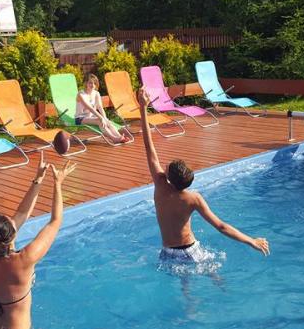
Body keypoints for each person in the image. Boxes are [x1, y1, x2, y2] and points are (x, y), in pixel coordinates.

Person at [136, 88, 270, 261]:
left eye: (166, 167)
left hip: (167, 254)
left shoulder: (160, 186)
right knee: (213, 274)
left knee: (185, 280)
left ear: (168, 177)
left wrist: (143, 108)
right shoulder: (193, 198)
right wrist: (251, 241)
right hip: (191, 252)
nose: (164, 166)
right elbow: (221, 226)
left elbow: (149, 148)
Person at [0, 151, 77, 329]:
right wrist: (58, 183)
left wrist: (38, 179)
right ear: (10, 237)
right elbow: (55, 221)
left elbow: (21, 213)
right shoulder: (24, 259)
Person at [75, 73, 131, 144]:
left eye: (95, 83)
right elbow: (90, 108)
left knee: (107, 121)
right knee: (100, 121)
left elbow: (100, 107)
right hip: (80, 118)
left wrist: (104, 118)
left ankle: (119, 137)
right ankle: (114, 139)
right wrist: (101, 118)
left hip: (91, 117)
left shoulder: (96, 93)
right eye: (90, 83)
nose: (93, 85)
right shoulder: (81, 94)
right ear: (86, 83)